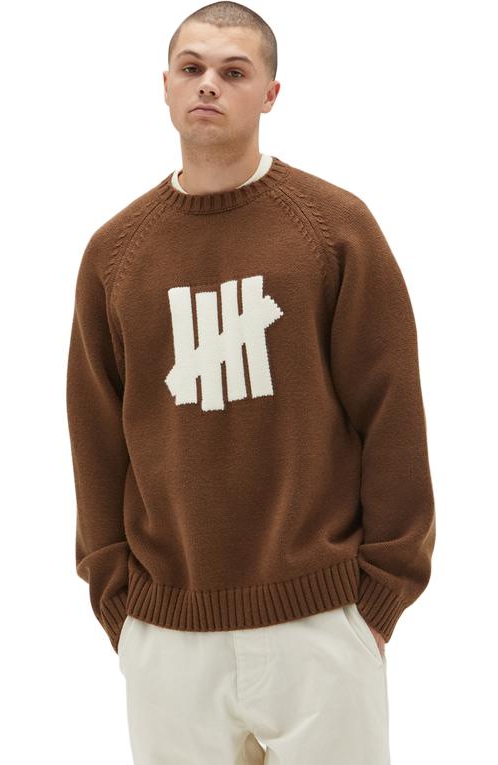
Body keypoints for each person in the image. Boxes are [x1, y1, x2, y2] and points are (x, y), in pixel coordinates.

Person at [66, 2, 436, 762]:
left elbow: (392, 410)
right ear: (165, 85)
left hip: (320, 619)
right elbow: (95, 432)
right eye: (192, 68)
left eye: (233, 72)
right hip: (167, 633)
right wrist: (118, 602)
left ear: (270, 94)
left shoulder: (334, 229)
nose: (208, 84)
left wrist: (380, 595)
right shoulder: (115, 253)